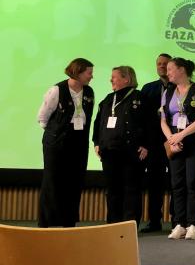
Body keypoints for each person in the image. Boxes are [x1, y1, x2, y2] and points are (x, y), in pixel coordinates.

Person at [161, 57, 195, 240]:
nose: (167, 73)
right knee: (176, 184)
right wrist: (171, 139)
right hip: (175, 143)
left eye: (170, 69)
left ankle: (193, 224)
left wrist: (182, 135)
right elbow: (163, 120)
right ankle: (179, 224)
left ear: (182, 70)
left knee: (192, 182)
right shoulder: (168, 92)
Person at [37, 58, 95, 227]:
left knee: (75, 182)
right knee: (52, 181)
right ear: (78, 72)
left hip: (79, 142)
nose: (91, 76)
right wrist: (57, 134)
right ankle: (45, 223)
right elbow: (42, 118)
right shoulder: (57, 90)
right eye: (89, 73)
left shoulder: (89, 92)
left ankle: (68, 222)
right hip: (57, 143)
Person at [92, 66, 149, 225]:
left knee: (131, 189)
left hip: (132, 152)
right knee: (112, 190)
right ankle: (113, 224)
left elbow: (150, 124)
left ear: (126, 79)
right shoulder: (108, 99)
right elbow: (98, 123)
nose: (111, 80)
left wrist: (146, 145)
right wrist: (97, 143)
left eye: (114, 77)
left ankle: (129, 225)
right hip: (109, 151)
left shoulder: (140, 98)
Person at [140, 53, 173, 232]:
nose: (161, 66)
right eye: (159, 63)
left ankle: (177, 220)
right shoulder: (148, 89)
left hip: (174, 141)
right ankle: (154, 221)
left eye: (165, 63)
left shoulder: (180, 88)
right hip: (153, 144)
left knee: (176, 182)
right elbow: (141, 118)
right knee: (154, 183)